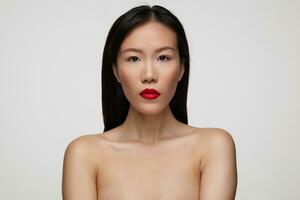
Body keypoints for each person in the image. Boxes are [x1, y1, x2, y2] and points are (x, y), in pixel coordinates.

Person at [62, 4, 238, 200]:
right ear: (115, 70)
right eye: (134, 58)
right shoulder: (84, 154)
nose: (149, 75)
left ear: (181, 68)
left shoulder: (213, 146)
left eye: (163, 57)